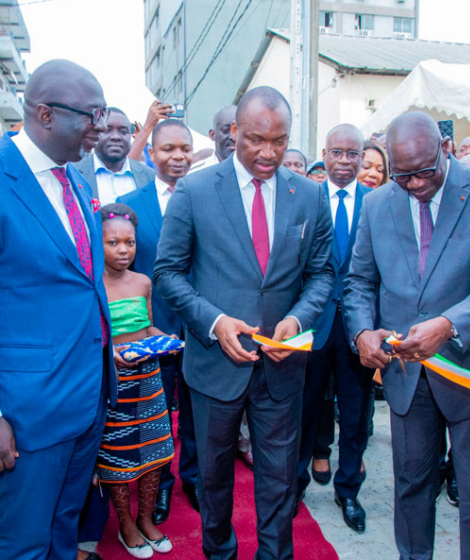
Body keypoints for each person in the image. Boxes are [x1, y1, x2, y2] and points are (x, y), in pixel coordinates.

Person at [0, 60, 117, 560]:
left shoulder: (76, 182)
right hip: (23, 415)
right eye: (91, 116)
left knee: (62, 531)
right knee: (24, 544)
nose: (100, 127)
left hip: (85, 400)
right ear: (45, 114)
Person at [153, 86, 335, 560]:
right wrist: (213, 322)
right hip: (215, 367)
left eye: (280, 141)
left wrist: (296, 320)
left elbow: (322, 275)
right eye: (257, 140)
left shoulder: (310, 196)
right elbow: (167, 274)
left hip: (281, 368)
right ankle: (221, 554)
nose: (269, 153)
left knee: (278, 482)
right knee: (213, 481)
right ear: (234, 132)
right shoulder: (194, 190)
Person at [344, 111, 470, 560]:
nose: (415, 184)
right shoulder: (377, 203)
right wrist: (362, 331)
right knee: (410, 485)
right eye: (403, 174)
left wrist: (449, 324)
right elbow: (359, 282)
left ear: (445, 148)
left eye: (425, 171)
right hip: (406, 375)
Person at [118, 119, 200, 525]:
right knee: (155, 416)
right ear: (151, 154)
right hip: (151, 331)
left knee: (197, 410)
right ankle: (160, 488)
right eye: (168, 149)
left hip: (200, 327)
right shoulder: (131, 203)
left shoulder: (209, 197)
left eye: (185, 148)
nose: (178, 156)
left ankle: (195, 480)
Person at [296, 124, 374, 533]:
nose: (344, 161)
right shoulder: (307, 199)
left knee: (356, 414)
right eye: (337, 153)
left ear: (363, 157)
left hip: (358, 327)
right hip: (314, 323)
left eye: (352, 153)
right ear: (324, 154)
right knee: (305, 410)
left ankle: (348, 490)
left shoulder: (375, 203)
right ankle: (295, 485)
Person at [96, 203, 176, 558]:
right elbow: (95, 337)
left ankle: (145, 518)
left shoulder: (143, 281)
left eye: (129, 242)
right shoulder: (93, 283)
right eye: (113, 243)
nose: (123, 250)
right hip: (116, 384)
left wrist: (167, 340)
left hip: (149, 380)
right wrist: (109, 350)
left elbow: (147, 327)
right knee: (118, 455)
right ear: (98, 244)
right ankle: (125, 522)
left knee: (156, 453)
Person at [76, 107, 156, 205]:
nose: (116, 137)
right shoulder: (74, 174)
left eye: (123, 132)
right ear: (95, 133)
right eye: (107, 130)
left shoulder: (150, 177)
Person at [189, 104, 236, 173]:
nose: (233, 137)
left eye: (237, 130)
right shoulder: (195, 174)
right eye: (226, 130)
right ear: (212, 135)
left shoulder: (254, 174)